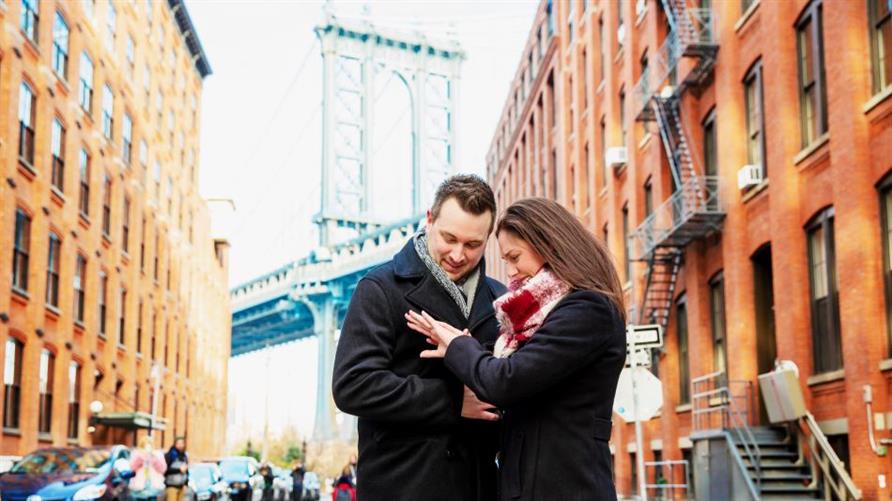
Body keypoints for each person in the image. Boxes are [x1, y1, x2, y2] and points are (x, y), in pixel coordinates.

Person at [406, 197, 627, 501]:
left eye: (514, 257)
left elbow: (505, 380)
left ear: (548, 245)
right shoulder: (540, 318)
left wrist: (459, 345)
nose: (509, 272)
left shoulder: (588, 310)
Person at [332, 174, 507, 500]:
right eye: (448, 238)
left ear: (488, 239)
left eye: (472, 245)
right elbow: (352, 385)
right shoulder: (380, 289)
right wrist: (454, 401)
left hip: (481, 487)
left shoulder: (500, 299)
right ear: (429, 220)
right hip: (403, 485)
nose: (457, 254)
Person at [129, 436, 165, 500]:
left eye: (150, 445)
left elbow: (162, 469)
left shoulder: (157, 454)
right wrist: (141, 457)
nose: (147, 448)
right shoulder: (137, 454)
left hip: (153, 485)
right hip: (140, 485)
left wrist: (153, 458)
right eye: (145, 446)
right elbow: (132, 468)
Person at [163, 436, 189, 501]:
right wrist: (179, 470)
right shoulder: (169, 455)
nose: (180, 445)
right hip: (171, 486)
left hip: (181, 486)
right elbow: (165, 471)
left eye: (182, 443)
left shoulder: (184, 456)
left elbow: (186, 471)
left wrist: (186, 483)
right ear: (175, 444)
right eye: (178, 443)